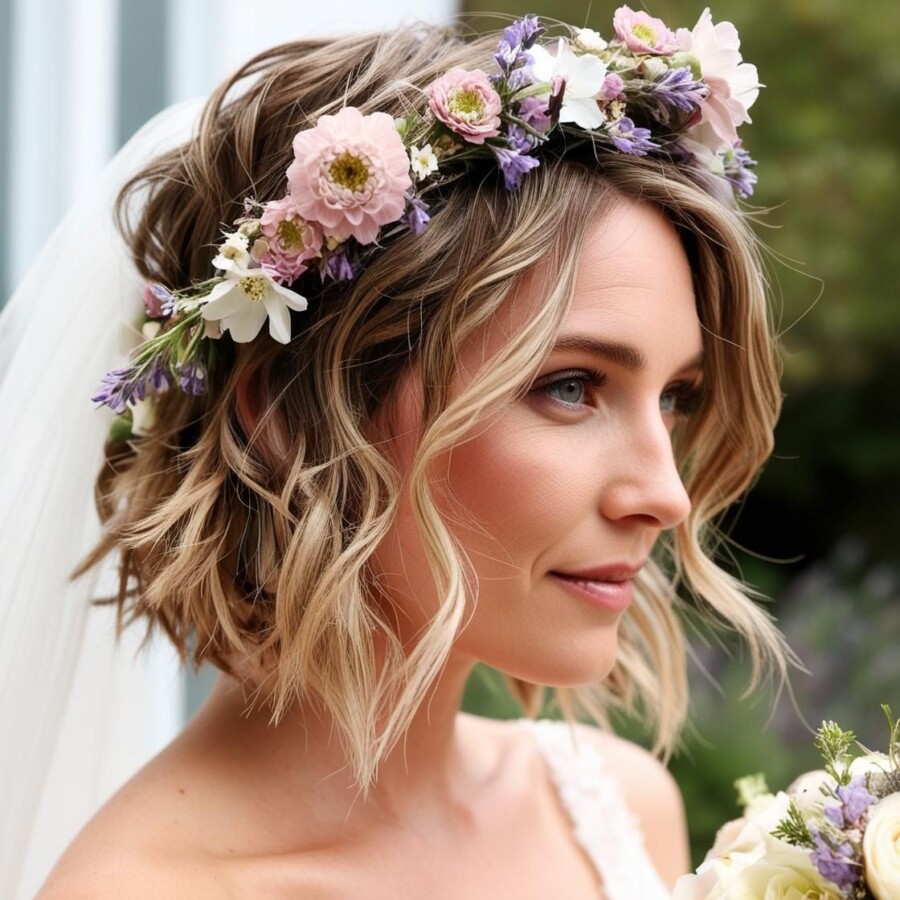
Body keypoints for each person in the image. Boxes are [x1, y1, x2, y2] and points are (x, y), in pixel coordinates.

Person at [1, 9, 790, 898]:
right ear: (291, 416)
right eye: (570, 386)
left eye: (674, 397)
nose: (666, 494)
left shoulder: (614, 805)